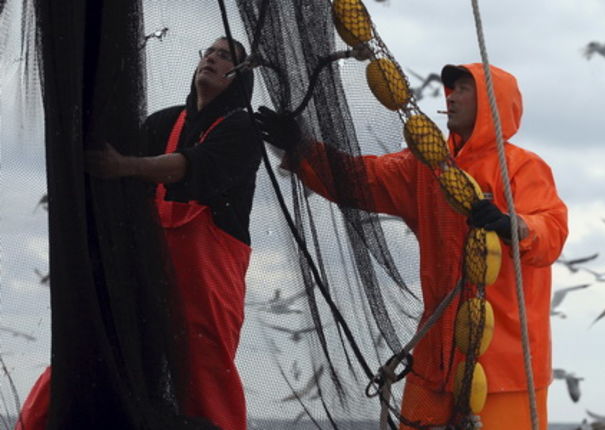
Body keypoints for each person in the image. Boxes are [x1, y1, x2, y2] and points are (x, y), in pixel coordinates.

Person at [257, 63, 568, 429]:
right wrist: (302, 148)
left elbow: (552, 228)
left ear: (492, 103)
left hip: (506, 366)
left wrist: (514, 224)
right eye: (450, 90)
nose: (451, 96)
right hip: (434, 360)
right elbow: (361, 179)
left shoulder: (522, 167)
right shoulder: (428, 167)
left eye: (464, 89)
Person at [17, 37, 262, 430]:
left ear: (240, 77)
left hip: (207, 285)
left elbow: (191, 168)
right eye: (209, 52)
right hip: (143, 273)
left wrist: (125, 165)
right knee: (88, 343)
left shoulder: (244, 129)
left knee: (205, 374)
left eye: (226, 57)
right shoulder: (164, 123)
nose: (213, 59)